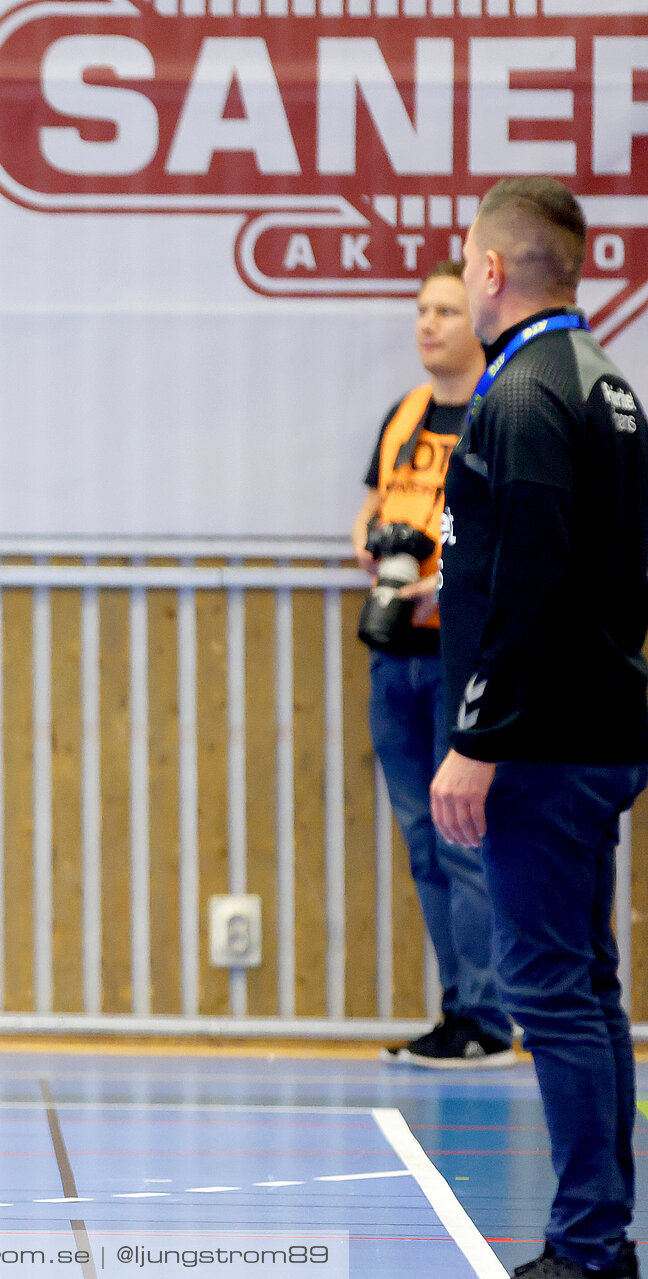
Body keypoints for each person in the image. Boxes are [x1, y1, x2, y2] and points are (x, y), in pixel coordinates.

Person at [432, 177, 648, 1279]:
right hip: (594, 731)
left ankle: (589, 1246)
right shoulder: (608, 386)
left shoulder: (522, 397)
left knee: (551, 991)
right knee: (587, 987)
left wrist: (479, 738)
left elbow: (529, 582)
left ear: (492, 271)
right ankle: (599, 1235)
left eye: (465, 264)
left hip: (543, 746)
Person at [351, 262, 516, 1069]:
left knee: (464, 837)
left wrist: (438, 583)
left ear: (475, 318)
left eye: (445, 309)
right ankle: (457, 1007)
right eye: (420, 309)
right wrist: (372, 550)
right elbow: (373, 505)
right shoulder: (406, 414)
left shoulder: (501, 410)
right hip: (396, 653)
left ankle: (488, 1014)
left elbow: (511, 536)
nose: (428, 323)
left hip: (463, 652)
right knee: (422, 837)